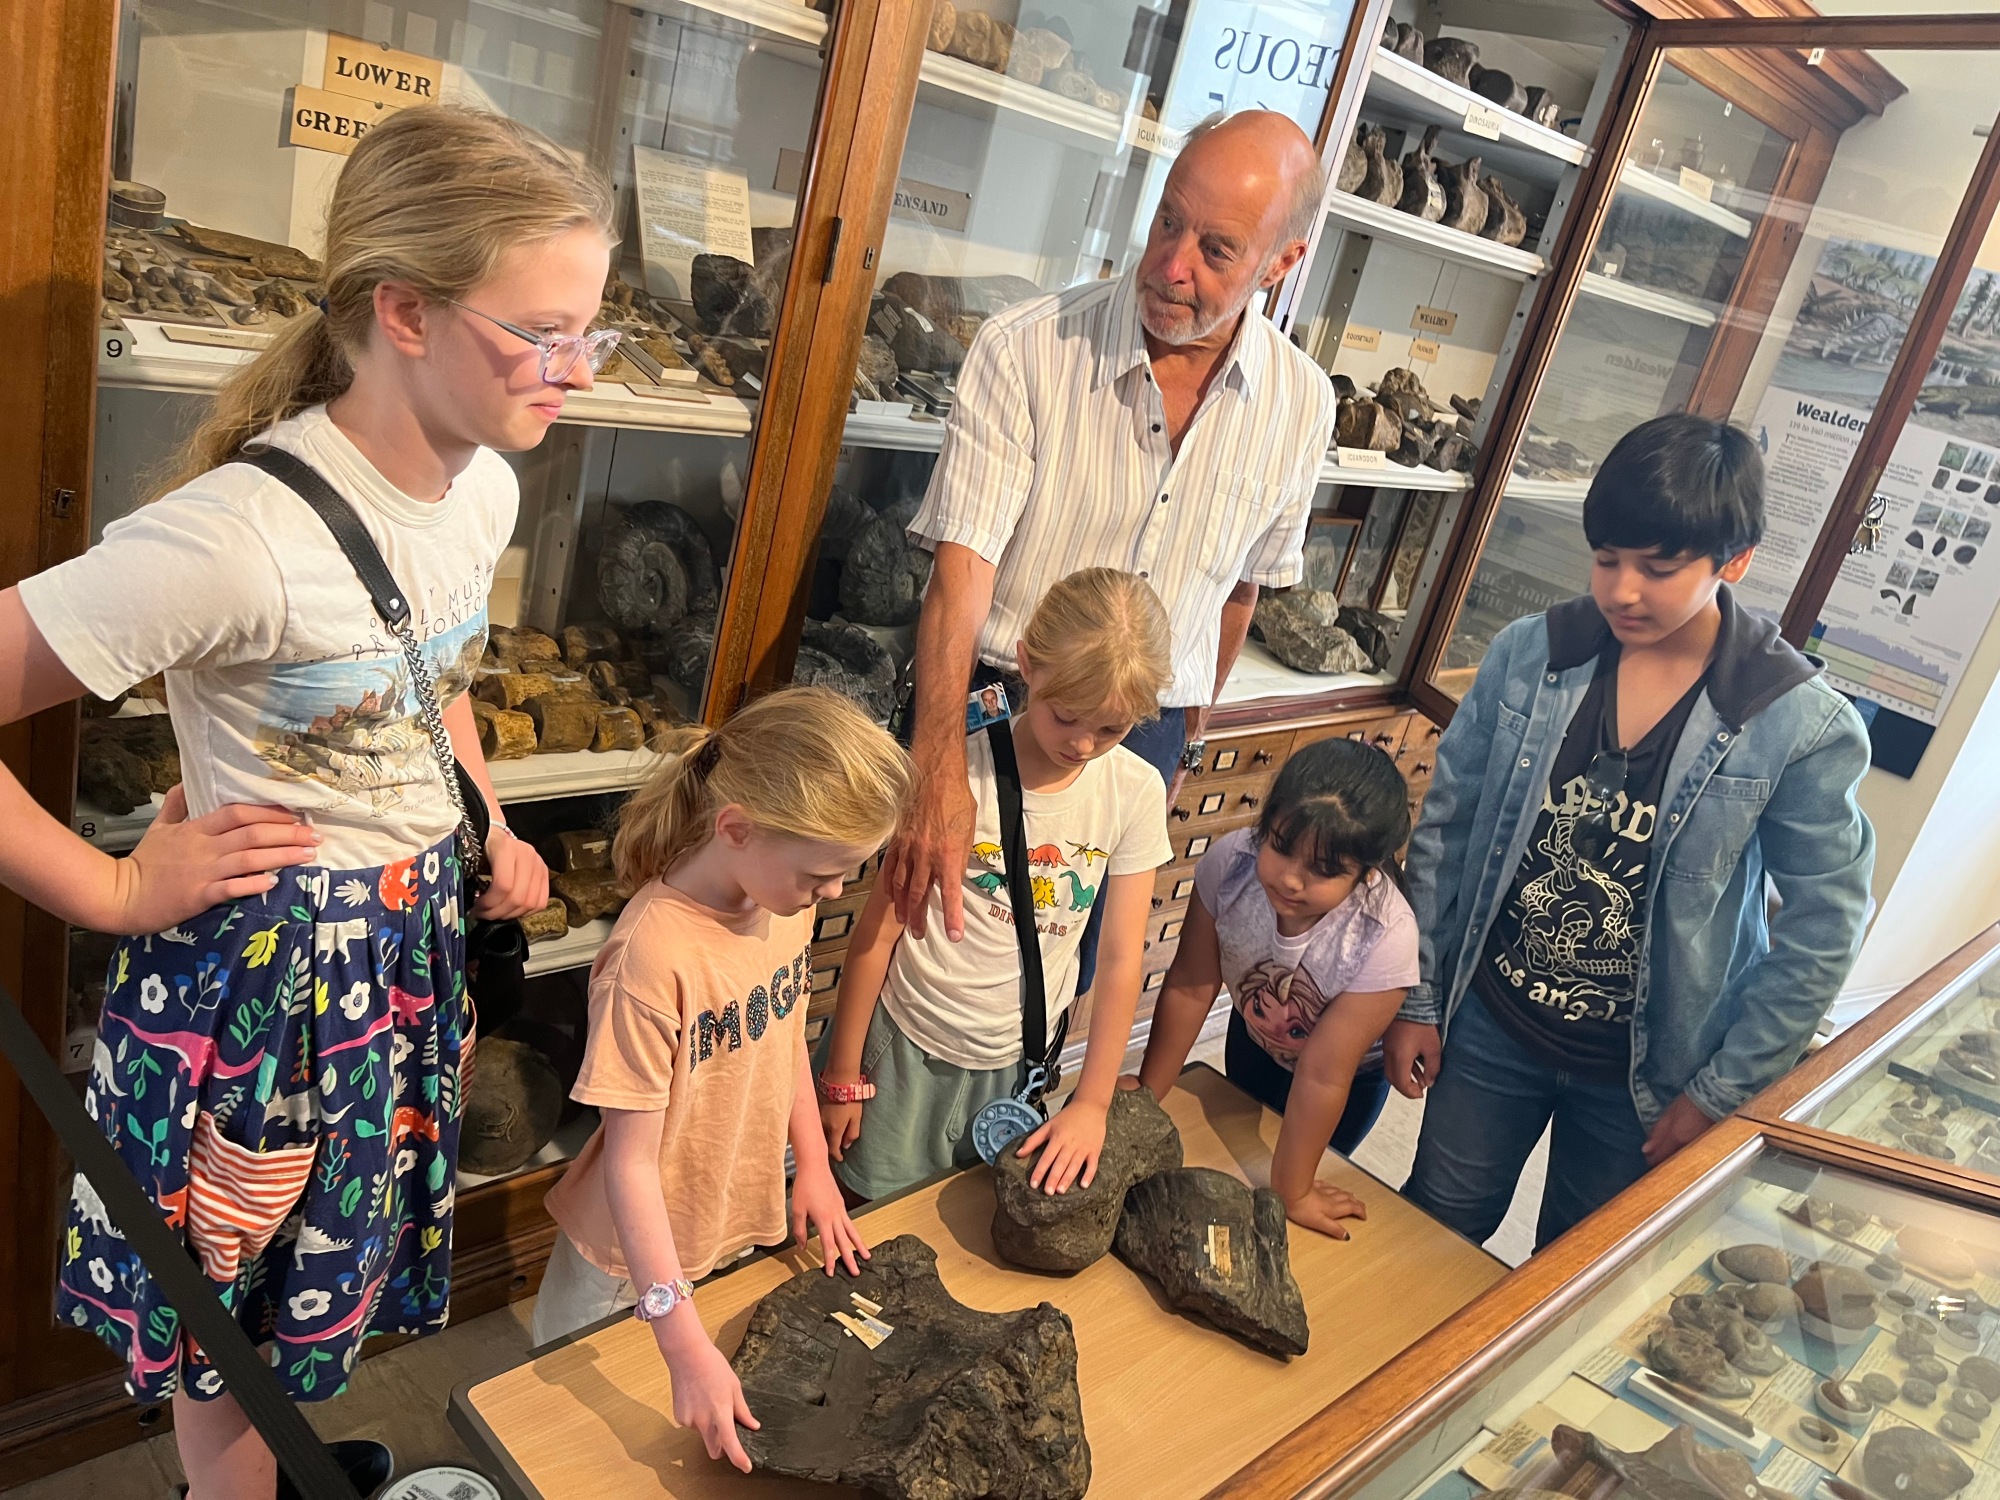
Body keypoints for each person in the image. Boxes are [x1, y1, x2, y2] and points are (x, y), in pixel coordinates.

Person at [0, 105, 601, 1497]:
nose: (573, 370)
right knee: (230, 1304)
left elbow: (435, 676)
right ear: (406, 311)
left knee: (314, 1277)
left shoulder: (483, 490)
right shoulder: (235, 540)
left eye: (591, 332)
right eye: (541, 332)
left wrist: (486, 823)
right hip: (265, 993)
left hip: (399, 961)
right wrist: (109, 888)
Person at [1388, 413, 1875, 1251]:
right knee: (1432, 1226)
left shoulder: (1794, 719)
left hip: (1649, 1073)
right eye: (1607, 558)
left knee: (1576, 1268)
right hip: (1493, 1019)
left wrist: (1724, 1091)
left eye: (1658, 568)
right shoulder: (1533, 653)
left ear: (1734, 561)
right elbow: (1447, 832)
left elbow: (1825, 927)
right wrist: (1419, 999)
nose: (1622, 591)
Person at [886, 109, 1339, 1008]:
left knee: (1066, 966)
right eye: (1168, 221)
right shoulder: (1028, 347)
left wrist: (1184, 742)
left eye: (1216, 249)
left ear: (1281, 262)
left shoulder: (1301, 403)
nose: (1171, 266)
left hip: (1146, 725)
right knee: (932, 949)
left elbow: (1239, 590)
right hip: (1001, 702)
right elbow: (961, 572)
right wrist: (935, 764)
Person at [536, 687, 911, 1474]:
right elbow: (631, 1166)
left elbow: (783, 1038)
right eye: (823, 874)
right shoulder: (650, 959)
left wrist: (814, 1167)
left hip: (719, 1219)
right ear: (737, 828)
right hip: (628, 1264)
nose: (833, 892)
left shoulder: (784, 903)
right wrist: (681, 1341)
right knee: (559, 1441)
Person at [816, 569, 1174, 1201]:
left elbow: (1122, 959)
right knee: (866, 1213)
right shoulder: (960, 770)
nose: (1083, 744)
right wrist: (843, 1071)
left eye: (1111, 729)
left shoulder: (1135, 791)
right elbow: (879, 927)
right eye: (1066, 717)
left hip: (1014, 1061)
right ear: (1027, 664)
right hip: (902, 1048)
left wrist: (1092, 1102)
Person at [1134, 737, 1418, 1238]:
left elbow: (1323, 1076)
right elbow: (1191, 986)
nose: (1290, 880)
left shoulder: (1386, 936)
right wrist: (1145, 1098)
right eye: (1282, 847)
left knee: (1290, 1195)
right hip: (1255, 1037)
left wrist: (1295, 1191)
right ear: (1265, 826)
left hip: (1345, 1080)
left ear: (1366, 874)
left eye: (1324, 870)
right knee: (1231, 1148)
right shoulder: (1231, 864)